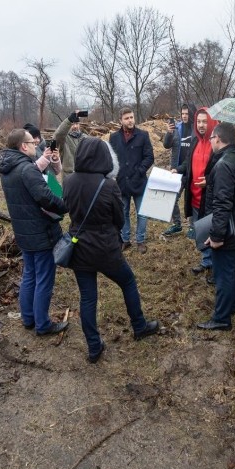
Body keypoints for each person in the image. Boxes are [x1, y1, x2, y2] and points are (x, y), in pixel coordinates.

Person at [63, 136, 160, 362]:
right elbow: (119, 219)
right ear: (104, 157)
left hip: (79, 249)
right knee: (127, 282)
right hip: (106, 249)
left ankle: (94, 347)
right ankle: (139, 326)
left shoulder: (68, 182)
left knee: (87, 298)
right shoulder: (109, 185)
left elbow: (68, 209)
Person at [0, 128, 69, 336]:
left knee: (29, 275)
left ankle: (28, 318)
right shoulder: (27, 169)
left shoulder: (8, 169)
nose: (35, 146)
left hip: (24, 233)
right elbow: (46, 197)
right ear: (23, 146)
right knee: (44, 279)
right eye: (32, 143)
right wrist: (67, 205)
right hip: (40, 233)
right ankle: (43, 325)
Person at [196, 122, 235, 331]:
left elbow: (222, 204)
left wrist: (217, 236)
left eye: (212, 138)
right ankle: (233, 305)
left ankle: (221, 317)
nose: (210, 141)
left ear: (218, 139)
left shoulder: (223, 165)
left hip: (229, 230)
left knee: (224, 273)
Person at [173, 107, 216, 279]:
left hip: (210, 198)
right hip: (195, 196)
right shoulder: (195, 141)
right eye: (199, 121)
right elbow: (187, 162)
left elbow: (221, 168)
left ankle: (215, 266)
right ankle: (206, 261)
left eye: (205, 121)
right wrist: (178, 169)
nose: (201, 125)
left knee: (212, 232)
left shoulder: (216, 143)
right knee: (200, 230)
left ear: (211, 122)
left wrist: (210, 181)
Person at [109, 107, 154, 254]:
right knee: (123, 212)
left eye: (132, 117)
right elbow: (111, 159)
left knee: (142, 212)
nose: (130, 120)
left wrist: (140, 171)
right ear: (120, 120)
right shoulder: (114, 138)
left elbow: (149, 157)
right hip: (121, 182)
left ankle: (140, 240)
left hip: (139, 181)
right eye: (127, 118)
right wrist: (114, 175)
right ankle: (125, 239)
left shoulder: (143, 135)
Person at [161, 103, 194, 236]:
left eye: (187, 113)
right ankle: (177, 224)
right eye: (183, 114)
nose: (184, 116)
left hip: (192, 170)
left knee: (191, 199)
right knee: (172, 197)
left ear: (191, 114)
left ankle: (192, 226)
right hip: (176, 171)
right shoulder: (177, 128)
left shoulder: (195, 130)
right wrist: (169, 133)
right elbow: (166, 145)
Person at [53, 110, 89, 179]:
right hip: (68, 176)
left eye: (77, 124)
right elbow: (57, 135)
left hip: (83, 176)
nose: (75, 126)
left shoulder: (85, 138)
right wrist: (69, 120)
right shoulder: (64, 138)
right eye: (72, 124)